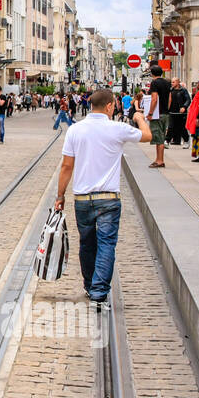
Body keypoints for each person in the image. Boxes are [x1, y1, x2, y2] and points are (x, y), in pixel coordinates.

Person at [55, 88, 153, 308]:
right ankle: (99, 291)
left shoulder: (75, 130)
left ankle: (90, 286)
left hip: (82, 198)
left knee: (87, 243)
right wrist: (139, 117)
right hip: (108, 198)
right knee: (107, 243)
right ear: (109, 106)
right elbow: (147, 136)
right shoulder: (117, 128)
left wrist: (60, 195)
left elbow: (66, 166)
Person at [147, 66, 171, 168]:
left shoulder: (154, 83)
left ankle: (160, 160)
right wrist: (166, 109)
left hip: (158, 114)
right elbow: (170, 98)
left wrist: (151, 113)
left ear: (152, 73)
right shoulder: (167, 82)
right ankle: (158, 159)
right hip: (165, 113)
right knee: (161, 137)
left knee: (158, 137)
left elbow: (154, 99)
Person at [168, 79, 191, 147]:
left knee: (182, 127)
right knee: (171, 127)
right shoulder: (170, 90)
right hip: (172, 112)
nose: (172, 83)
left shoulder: (183, 90)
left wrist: (184, 107)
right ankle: (167, 140)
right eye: (171, 82)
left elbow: (188, 99)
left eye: (173, 82)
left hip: (181, 113)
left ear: (178, 82)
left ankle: (186, 140)